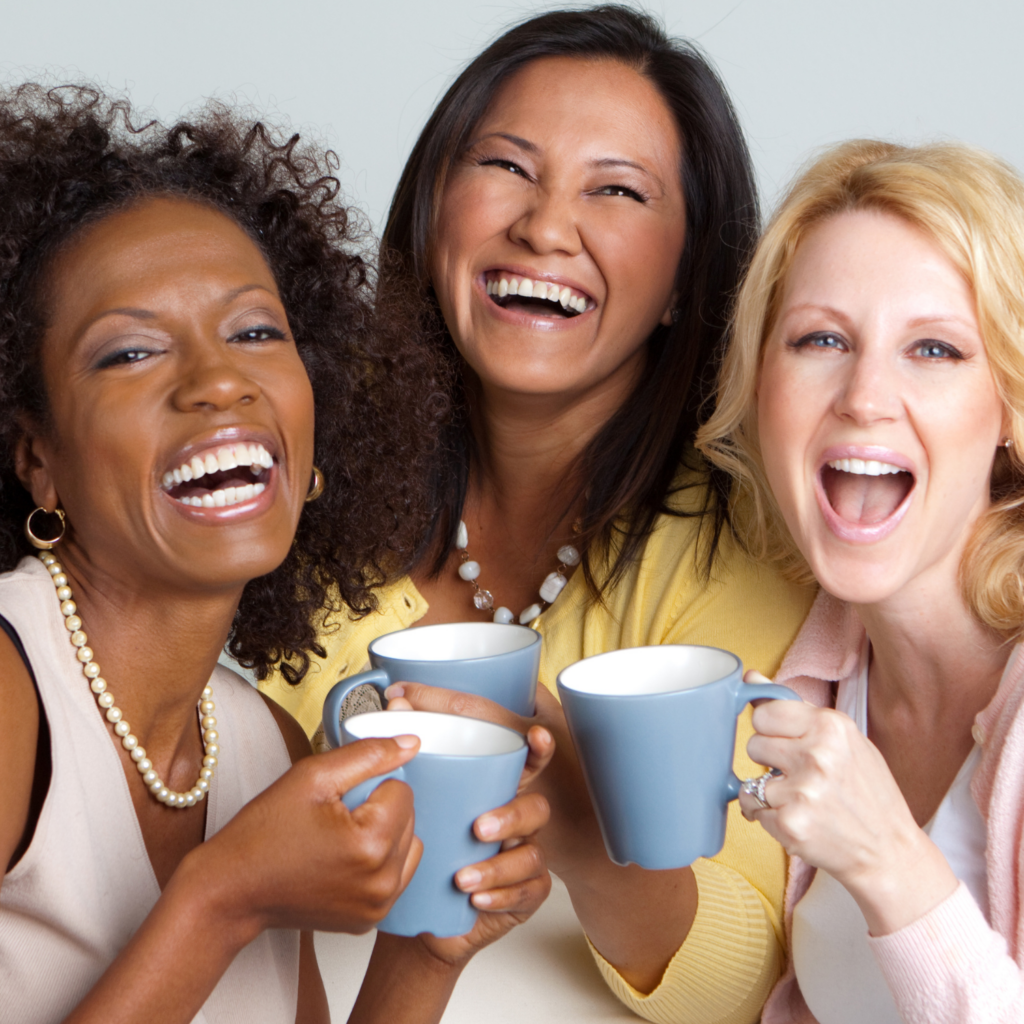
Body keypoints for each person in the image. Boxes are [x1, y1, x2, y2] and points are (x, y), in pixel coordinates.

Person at [261, 7, 815, 1019]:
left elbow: (749, 979)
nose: (545, 226)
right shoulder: (300, 486)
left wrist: (578, 822)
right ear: (433, 208)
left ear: (688, 278)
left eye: (617, 190)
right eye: (508, 168)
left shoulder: (747, 548)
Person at [0, 83, 552, 1024]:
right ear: (38, 462)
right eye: (130, 353)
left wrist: (427, 950)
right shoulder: (13, 698)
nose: (219, 380)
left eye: (256, 332)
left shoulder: (263, 743)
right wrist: (226, 897)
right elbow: (221, 903)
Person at [696, 139, 1024, 1022]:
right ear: (763, 389)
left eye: (935, 349)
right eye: (822, 339)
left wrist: (889, 860)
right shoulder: (820, 671)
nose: (864, 395)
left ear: (1009, 410)